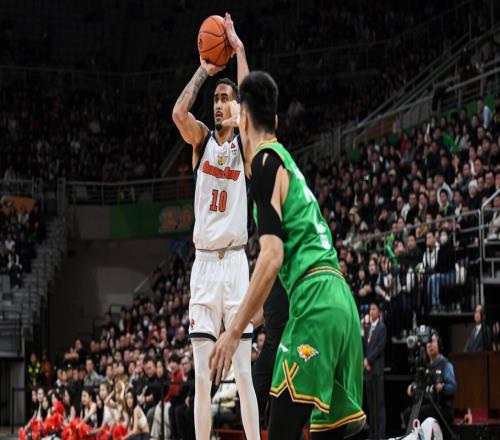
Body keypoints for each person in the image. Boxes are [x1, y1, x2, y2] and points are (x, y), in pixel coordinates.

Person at [209, 71, 365, 439]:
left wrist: (232, 333)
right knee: (330, 435)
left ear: (245, 121)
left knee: (279, 431)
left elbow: (271, 257)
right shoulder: (284, 160)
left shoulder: (265, 163)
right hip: (340, 303)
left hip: (314, 303)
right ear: (276, 121)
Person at [171, 13, 259, 440]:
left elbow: (253, 109)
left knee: (242, 373)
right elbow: (178, 112)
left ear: (237, 107)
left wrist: (238, 50)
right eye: (217, 99)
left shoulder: (245, 146)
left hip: (236, 264)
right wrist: (204, 72)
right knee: (203, 376)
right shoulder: (201, 140)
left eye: (227, 98)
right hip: (205, 265)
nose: (220, 104)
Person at [404, 332, 457, 432]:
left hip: (442, 407)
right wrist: (412, 388)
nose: (429, 345)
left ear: (439, 344)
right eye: (427, 343)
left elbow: (453, 387)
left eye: (432, 341)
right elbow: (418, 383)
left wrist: (443, 387)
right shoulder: (425, 366)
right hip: (427, 405)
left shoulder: (446, 364)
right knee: (408, 414)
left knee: (424, 412)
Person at [363, 303, 386, 440]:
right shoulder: (367, 328)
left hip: (376, 370)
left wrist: (368, 360)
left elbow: (379, 347)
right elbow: (364, 347)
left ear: (379, 312)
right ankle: (372, 434)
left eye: (374, 309)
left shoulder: (382, 328)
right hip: (368, 372)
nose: (371, 311)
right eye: (370, 309)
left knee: (379, 405)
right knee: (371, 405)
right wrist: (364, 361)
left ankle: (381, 435)